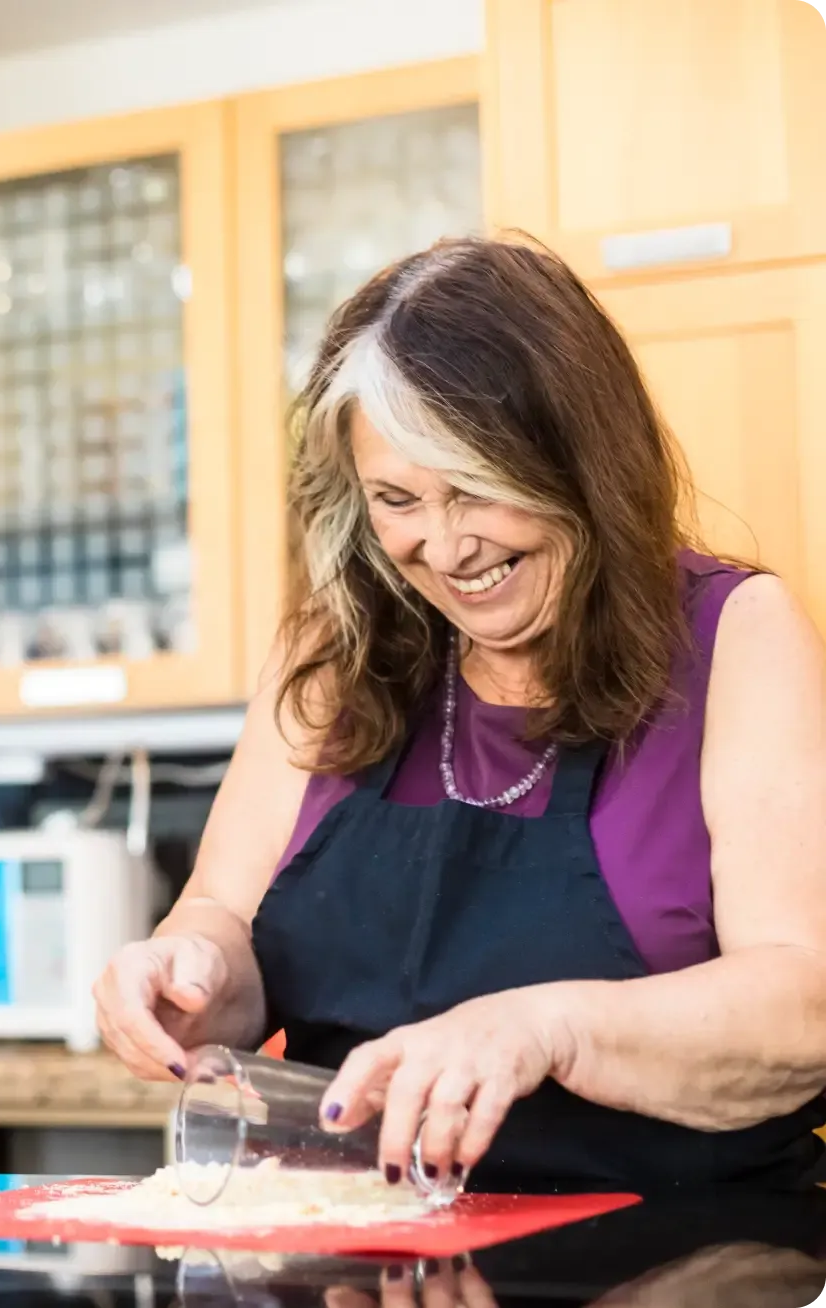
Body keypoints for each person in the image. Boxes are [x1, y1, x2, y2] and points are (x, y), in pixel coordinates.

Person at [93, 236, 826, 1190]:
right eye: (397, 498)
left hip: (681, 1261)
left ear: (580, 464)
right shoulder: (331, 651)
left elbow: (804, 1005)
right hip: (365, 1258)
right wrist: (184, 973)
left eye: (476, 487)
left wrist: (547, 1028)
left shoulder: (734, 633)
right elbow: (226, 920)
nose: (445, 546)